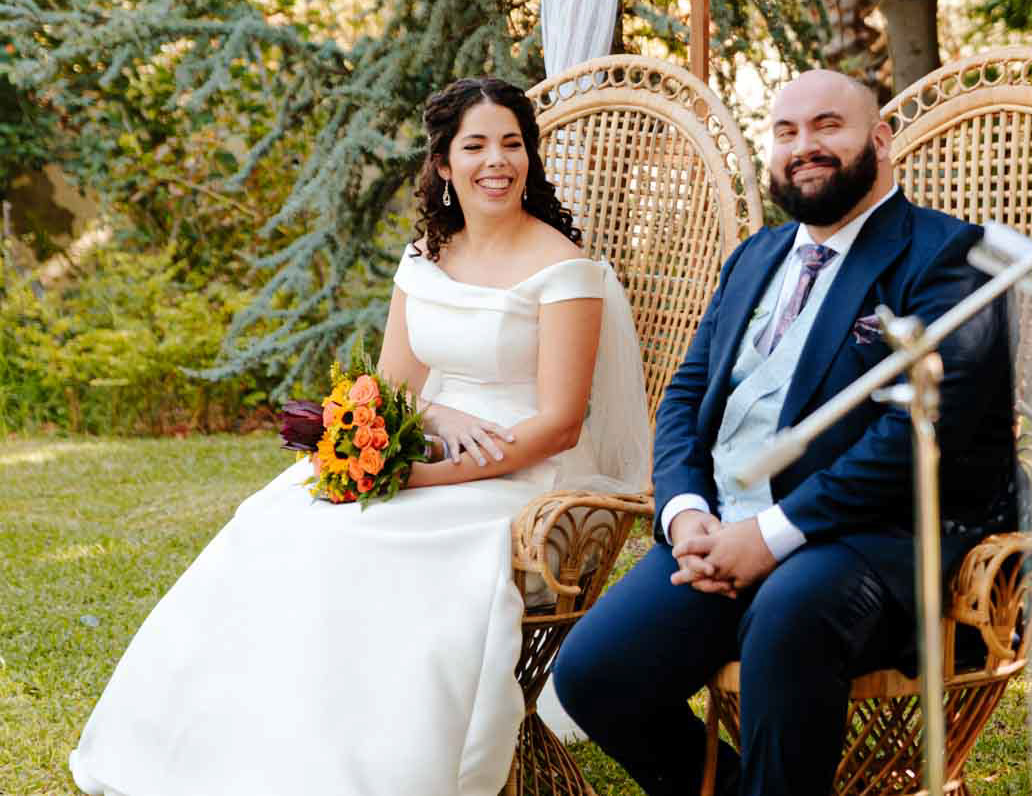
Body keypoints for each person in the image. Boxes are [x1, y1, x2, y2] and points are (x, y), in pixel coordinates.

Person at [70, 77, 651, 796]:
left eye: (512, 143)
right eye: (475, 145)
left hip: (521, 472)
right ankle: (246, 756)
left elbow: (560, 425)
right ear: (443, 163)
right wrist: (437, 421)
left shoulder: (564, 267)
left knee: (367, 542)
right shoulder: (427, 254)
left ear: (530, 157)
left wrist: (422, 478)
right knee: (281, 520)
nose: (495, 161)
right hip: (433, 448)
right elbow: (397, 387)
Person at [553, 68, 1015, 796]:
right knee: (593, 676)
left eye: (828, 125)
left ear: (881, 138)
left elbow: (916, 437)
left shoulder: (951, 257)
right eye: (787, 131)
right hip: (722, 529)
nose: (805, 146)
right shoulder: (755, 258)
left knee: (788, 618)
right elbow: (685, 399)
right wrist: (686, 516)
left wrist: (768, 536)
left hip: (881, 537)